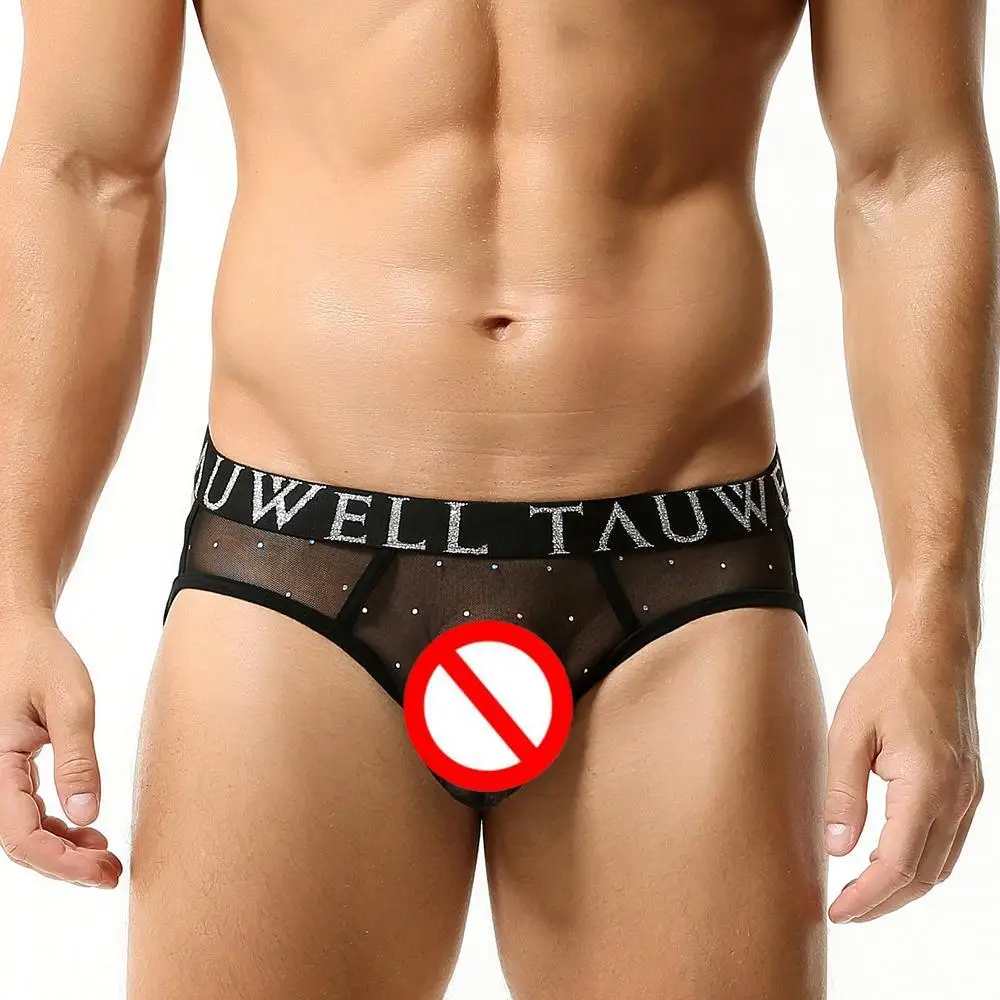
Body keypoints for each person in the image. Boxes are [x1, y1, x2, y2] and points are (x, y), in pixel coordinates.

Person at [0, 1, 995, 997]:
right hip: (291, 565)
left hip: (682, 582)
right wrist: (13, 590)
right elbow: (85, 169)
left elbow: (908, 168)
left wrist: (935, 617)